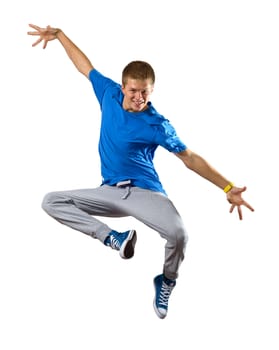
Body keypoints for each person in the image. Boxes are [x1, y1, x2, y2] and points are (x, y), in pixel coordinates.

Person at [27, 23, 254, 319]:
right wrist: (59, 36)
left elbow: (190, 158)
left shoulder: (156, 124)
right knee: (51, 200)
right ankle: (113, 238)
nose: (138, 97)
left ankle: (167, 280)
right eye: (133, 90)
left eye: (144, 92)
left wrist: (227, 187)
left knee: (179, 233)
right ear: (123, 87)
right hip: (108, 190)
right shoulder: (108, 93)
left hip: (145, 192)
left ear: (151, 90)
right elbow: (85, 67)